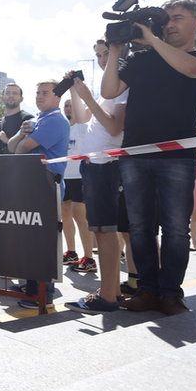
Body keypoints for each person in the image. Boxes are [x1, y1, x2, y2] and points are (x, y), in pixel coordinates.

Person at [102, 0, 196, 315]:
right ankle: (148, 290)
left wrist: (153, 40)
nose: (169, 24)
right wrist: (115, 52)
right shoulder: (143, 60)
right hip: (134, 153)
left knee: (174, 227)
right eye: (166, 18)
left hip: (177, 157)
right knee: (140, 227)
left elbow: (192, 70)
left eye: (178, 18)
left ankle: (171, 292)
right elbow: (109, 91)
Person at [63, 39, 128, 314]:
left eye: (106, 54)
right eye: (99, 55)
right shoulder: (107, 90)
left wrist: (88, 96)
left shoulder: (123, 86)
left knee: (105, 231)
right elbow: (80, 117)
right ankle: (109, 291)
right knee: (101, 230)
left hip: (108, 163)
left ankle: (109, 296)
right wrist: (77, 92)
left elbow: (114, 127)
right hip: (94, 163)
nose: (102, 60)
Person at [9, 79, 70, 309]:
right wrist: (21, 134)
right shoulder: (38, 120)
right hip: (33, 184)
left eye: (45, 92)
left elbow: (24, 148)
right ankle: (31, 284)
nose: (39, 96)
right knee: (30, 237)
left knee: (43, 240)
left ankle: (44, 292)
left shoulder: (55, 120)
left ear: (57, 97)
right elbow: (14, 147)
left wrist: (24, 140)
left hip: (47, 185)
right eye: (38, 92)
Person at [61, 99, 94, 272]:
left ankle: (89, 258)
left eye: (72, 105)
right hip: (63, 176)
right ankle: (72, 252)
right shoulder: (63, 129)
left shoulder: (82, 127)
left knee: (80, 217)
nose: (68, 108)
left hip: (79, 176)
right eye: (66, 105)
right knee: (65, 214)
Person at [0, 83, 33, 155]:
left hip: (18, 165)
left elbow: (26, 149)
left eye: (15, 93)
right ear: (2, 98)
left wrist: (6, 141)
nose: (11, 96)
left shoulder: (28, 119)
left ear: (21, 99)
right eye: (7, 93)